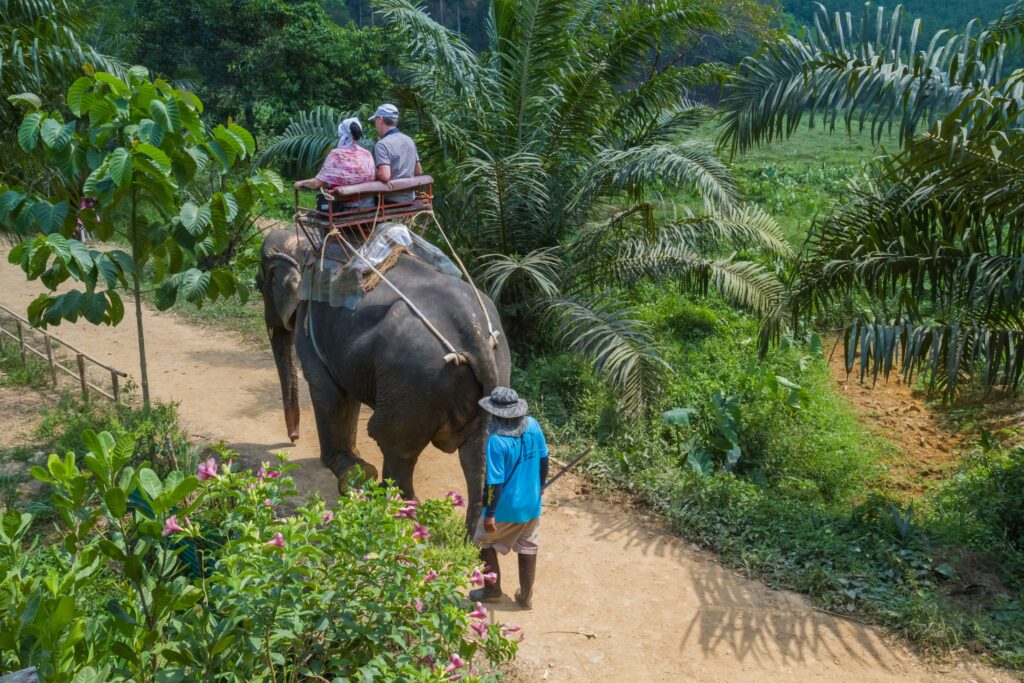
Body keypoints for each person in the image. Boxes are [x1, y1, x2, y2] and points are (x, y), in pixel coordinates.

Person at [470, 386, 549, 610]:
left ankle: (492, 589)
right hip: (532, 504)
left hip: (506, 507)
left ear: (496, 414)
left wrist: (490, 514)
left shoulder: (496, 441)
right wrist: (540, 486)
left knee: (482, 541)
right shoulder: (533, 424)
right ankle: (526, 596)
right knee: (528, 545)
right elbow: (544, 460)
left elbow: (494, 482)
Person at [293, 117, 376, 212]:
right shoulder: (367, 154)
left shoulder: (336, 154)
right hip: (369, 205)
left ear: (342, 134)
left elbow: (317, 183)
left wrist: (301, 183)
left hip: (345, 208)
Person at [368, 103, 422, 204]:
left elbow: (384, 176)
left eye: (375, 121)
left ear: (380, 119)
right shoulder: (409, 140)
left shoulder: (382, 144)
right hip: (410, 198)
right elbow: (418, 171)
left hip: (391, 200)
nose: (376, 124)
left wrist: (371, 172)